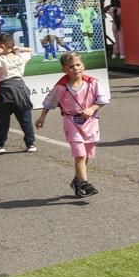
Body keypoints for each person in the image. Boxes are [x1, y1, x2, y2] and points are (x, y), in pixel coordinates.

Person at [35, 52, 109, 197]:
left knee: (87, 155)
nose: (75, 68)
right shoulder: (61, 87)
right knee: (80, 155)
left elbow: (102, 100)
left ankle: (77, 181)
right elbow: (50, 102)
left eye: (78, 65)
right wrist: (42, 117)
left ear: (83, 66)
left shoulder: (93, 82)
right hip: (71, 122)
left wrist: (92, 108)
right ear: (64, 69)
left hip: (90, 122)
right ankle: (85, 183)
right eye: (71, 66)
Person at [0, 33, 36, 154]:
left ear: (1, 46)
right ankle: (30, 143)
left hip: (6, 89)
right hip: (21, 88)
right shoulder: (21, 56)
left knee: (3, 120)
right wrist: (19, 48)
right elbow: (31, 50)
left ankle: (0, 144)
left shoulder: (1, 59)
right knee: (25, 118)